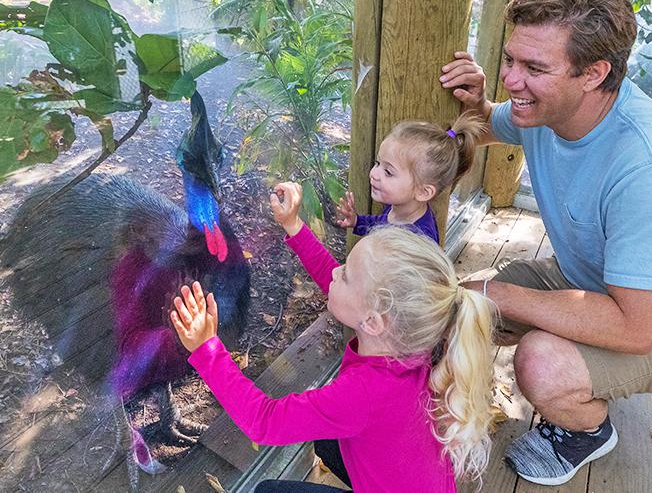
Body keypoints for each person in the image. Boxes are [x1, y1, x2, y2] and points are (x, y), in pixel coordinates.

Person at [439, 0, 652, 486]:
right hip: (592, 282)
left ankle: (588, 431)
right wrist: (475, 101)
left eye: (534, 68)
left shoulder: (649, 166)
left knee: (540, 362)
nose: (511, 81)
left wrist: (497, 290)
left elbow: (638, 328)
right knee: (460, 311)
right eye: (511, 60)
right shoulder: (545, 109)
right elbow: (496, 118)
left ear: (594, 73)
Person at [169, 181, 498, 492]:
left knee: (266, 490)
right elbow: (343, 291)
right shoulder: (418, 344)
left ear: (372, 321)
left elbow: (263, 422)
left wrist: (206, 349)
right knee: (328, 440)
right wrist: (294, 226)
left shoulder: (363, 393)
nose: (336, 272)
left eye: (347, 273)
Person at [335, 115, 483, 244]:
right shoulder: (398, 207)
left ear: (424, 192)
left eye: (388, 172)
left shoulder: (419, 240)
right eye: (377, 163)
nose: (374, 173)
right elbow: (381, 223)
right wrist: (357, 222)